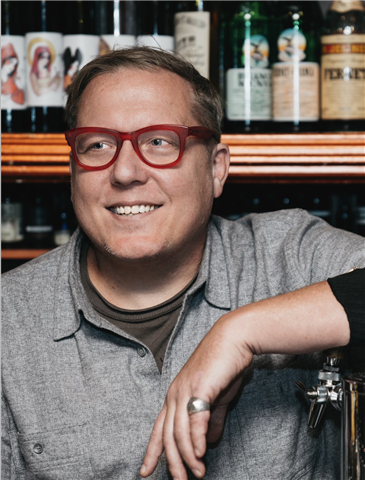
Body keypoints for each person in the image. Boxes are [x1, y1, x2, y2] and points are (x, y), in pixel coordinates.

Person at [1, 46, 365, 480]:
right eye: (98, 145)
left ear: (216, 169)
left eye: (159, 142)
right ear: (73, 169)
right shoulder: (10, 319)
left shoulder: (290, 255)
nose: (125, 173)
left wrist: (241, 332)